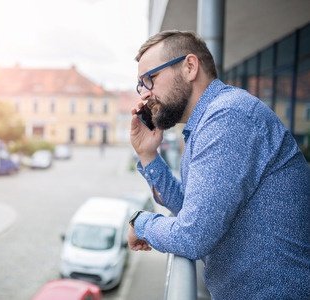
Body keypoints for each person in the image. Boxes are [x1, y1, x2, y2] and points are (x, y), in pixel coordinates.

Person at [127, 30, 310, 299]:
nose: (145, 95)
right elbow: (193, 208)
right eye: (141, 85)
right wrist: (148, 156)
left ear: (190, 67)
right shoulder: (207, 123)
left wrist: (140, 223)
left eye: (150, 79)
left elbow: (192, 236)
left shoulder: (228, 117)